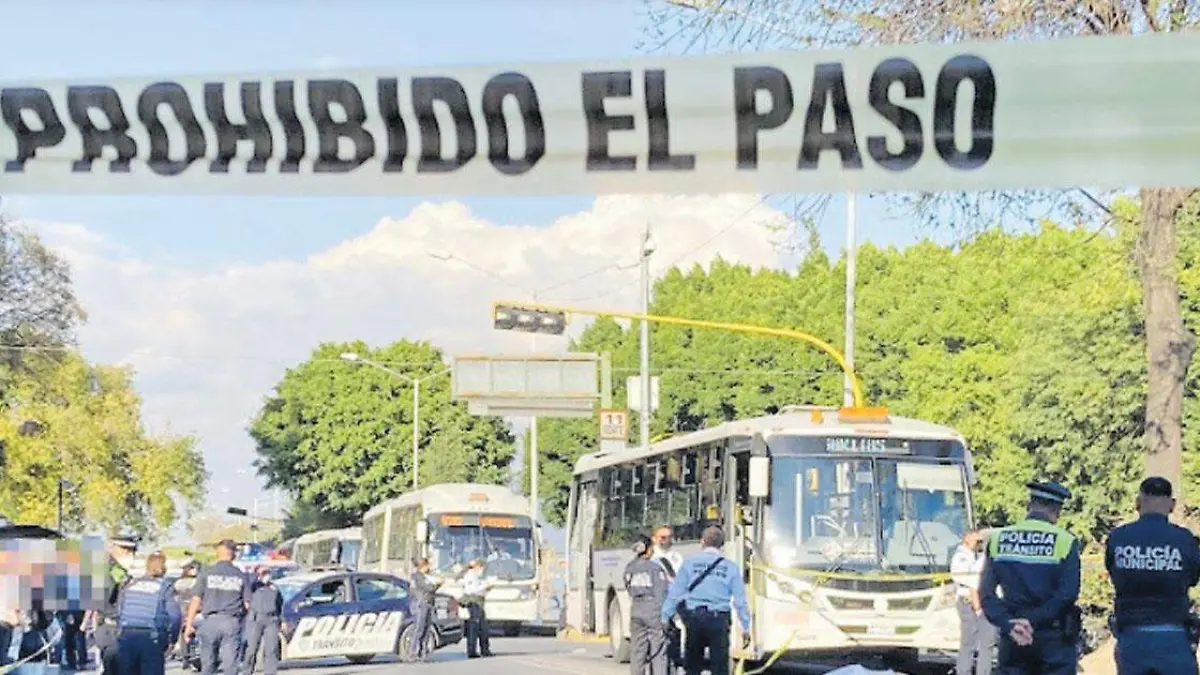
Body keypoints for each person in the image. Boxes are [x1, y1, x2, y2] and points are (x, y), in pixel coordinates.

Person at [979, 480, 1081, 675]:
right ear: (1056, 510)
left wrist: (1010, 623)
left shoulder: (998, 539)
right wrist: (1032, 621)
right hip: (1053, 639)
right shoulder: (1065, 541)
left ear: (1029, 505)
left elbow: (986, 594)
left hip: (1014, 638)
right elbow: (1068, 594)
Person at [1105, 476, 1200, 675]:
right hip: (1174, 636)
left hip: (1132, 636)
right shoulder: (1184, 539)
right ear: (1172, 505)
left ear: (1138, 503)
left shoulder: (1118, 537)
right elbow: (1193, 578)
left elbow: (1113, 573)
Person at [660, 525, 751, 675]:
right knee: (719, 667)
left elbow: (675, 593)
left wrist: (665, 617)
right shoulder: (731, 568)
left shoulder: (689, 564)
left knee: (693, 666)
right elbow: (740, 601)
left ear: (702, 541)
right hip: (719, 620)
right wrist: (746, 627)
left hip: (694, 619)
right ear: (722, 544)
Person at [183, 540, 252, 675]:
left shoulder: (207, 573)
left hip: (210, 622)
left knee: (208, 664)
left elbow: (196, 599)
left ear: (217, 553)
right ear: (233, 554)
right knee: (230, 665)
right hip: (231, 622)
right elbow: (247, 604)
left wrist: (189, 624)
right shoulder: (240, 575)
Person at [116, 552, 182, 675]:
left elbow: (119, 611)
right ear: (164, 568)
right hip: (151, 637)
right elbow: (175, 617)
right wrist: (172, 639)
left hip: (127, 635)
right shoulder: (165, 587)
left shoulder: (130, 585)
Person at [90, 535, 138, 675]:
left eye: (132, 552)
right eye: (127, 551)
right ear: (115, 549)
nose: (131, 555)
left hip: (114, 630)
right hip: (111, 630)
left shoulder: (116, 570)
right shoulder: (110, 571)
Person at [952, 528, 996, 675]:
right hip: (968, 601)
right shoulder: (961, 556)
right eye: (977, 541)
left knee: (985, 643)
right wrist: (978, 608)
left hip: (977, 600)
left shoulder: (975, 556)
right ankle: (964, 671)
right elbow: (968, 581)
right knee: (970, 642)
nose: (979, 544)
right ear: (967, 538)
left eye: (981, 542)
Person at [627, 534, 670, 675]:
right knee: (658, 652)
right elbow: (661, 594)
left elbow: (628, 588)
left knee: (637, 652)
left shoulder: (629, 568)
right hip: (653, 611)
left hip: (636, 609)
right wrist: (665, 619)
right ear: (648, 549)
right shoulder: (655, 568)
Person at [241, 566, 282, 675]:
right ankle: (247, 671)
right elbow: (247, 586)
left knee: (272, 649)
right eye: (264, 572)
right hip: (256, 619)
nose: (267, 574)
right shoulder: (253, 586)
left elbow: (279, 604)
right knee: (252, 649)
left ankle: (270, 672)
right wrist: (257, 575)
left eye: (268, 572)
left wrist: (282, 620)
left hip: (271, 620)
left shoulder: (274, 587)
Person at [407, 558, 441, 662]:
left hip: (428, 603)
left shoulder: (425, 576)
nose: (429, 567)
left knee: (426, 630)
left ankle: (422, 652)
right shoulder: (417, 576)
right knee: (419, 629)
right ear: (423, 566)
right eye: (428, 565)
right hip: (421, 604)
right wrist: (438, 584)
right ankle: (413, 653)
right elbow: (429, 588)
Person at [460, 559, 493, 659]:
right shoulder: (470, 576)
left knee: (483, 627)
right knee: (473, 627)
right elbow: (472, 590)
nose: (483, 571)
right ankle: (472, 651)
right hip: (474, 603)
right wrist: (485, 586)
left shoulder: (476, 576)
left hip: (479, 602)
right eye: (482, 568)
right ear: (478, 567)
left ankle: (485, 649)